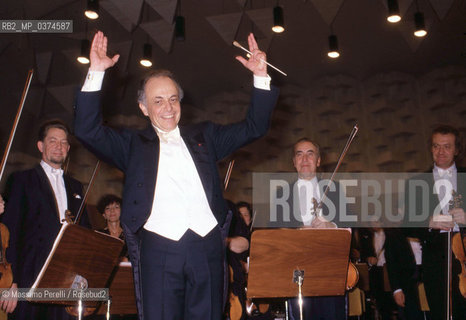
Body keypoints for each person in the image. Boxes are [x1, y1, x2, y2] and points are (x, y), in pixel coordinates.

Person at [74, 31, 279, 320]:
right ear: (144, 108)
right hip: (158, 248)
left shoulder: (206, 136)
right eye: (158, 101)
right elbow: (87, 130)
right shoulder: (131, 145)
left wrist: (260, 76)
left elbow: (255, 127)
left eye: (173, 99)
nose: (168, 108)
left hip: (207, 245)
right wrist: (95, 72)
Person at [0, 119, 89, 319]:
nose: (59, 146)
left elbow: (86, 233)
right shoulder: (22, 180)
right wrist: (10, 283)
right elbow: (10, 231)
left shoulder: (76, 186)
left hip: (66, 276)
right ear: (41, 146)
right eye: (53, 141)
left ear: (68, 148)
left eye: (64, 142)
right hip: (29, 274)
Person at [404, 125, 466, 319]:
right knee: (440, 313)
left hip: (465, 251)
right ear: (431, 149)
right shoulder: (416, 182)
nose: (441, 152)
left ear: (457, 150)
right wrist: (428, 221)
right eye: (436, 146)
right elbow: (406, 223)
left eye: (447, 146)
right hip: (435, 258)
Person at [285, 138, 345, 320]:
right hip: (297, 273)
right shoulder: (281, 194)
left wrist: (331, 226)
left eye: (310, 154)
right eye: (299, 154)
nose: (305, 159)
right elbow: (276, 234)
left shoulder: (334, 190)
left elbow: (352, 228)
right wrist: (297, 233)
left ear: (318, 161)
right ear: (294, 162)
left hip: (328, 270)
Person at [96, 194, 128, 260]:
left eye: (116, 207)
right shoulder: (98, 235)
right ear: (104, 215)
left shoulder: (129, 236)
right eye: (108, 208)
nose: (112, 210)